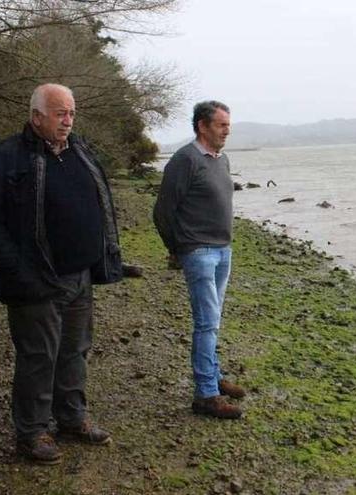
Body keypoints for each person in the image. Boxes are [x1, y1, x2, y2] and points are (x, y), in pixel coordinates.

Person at [0, 83, 123, 464]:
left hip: (79, 277)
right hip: (35, 281)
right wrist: (19, 269)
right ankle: (33, 431)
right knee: (39, 357)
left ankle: (71, 418)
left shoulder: (80, 151)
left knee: (75, 351)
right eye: (60, 114)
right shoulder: (5, 158)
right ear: (36, 116)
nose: (68, 121)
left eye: (71, 113)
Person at [153, 100, 246, 419]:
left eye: (228, 125)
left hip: (223, 250)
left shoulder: (222, 160)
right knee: (207, 322)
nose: (227, 131)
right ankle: (206, 394)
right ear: (202, 126)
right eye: (221, 125)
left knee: (213, 319)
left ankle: (213, 377)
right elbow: (163, 212)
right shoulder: (185, 159)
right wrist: (178, 250)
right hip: (199, 252)